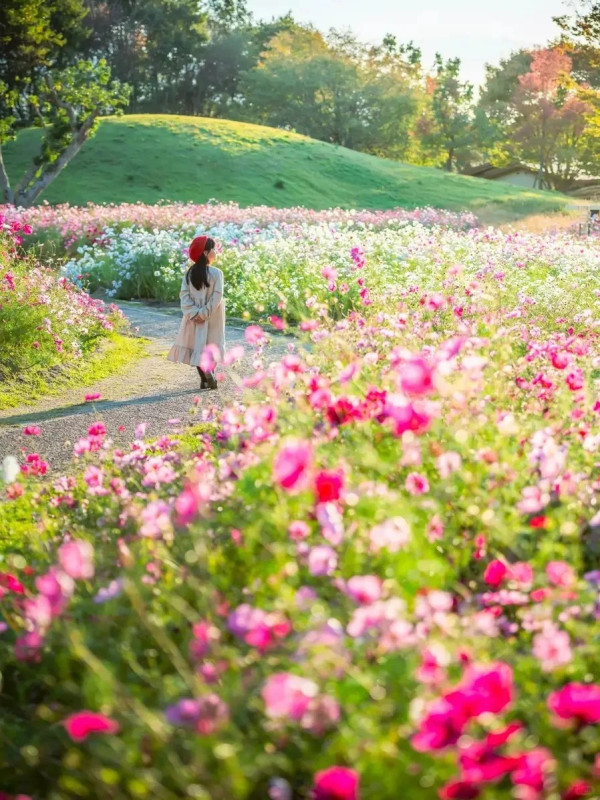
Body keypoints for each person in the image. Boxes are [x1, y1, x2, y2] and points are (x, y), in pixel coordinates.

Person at [167, 235, 225, 389]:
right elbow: (217, 296)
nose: (216, 252)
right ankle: (209, 372)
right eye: (213, 249)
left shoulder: (189, 274)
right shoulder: (217, 273)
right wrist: (204, 313)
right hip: (213, 316)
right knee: (213, 345)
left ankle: (204, 379)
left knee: (197, 347)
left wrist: (194, 313)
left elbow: (184, 296)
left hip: (193, 318)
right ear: (205, 253)